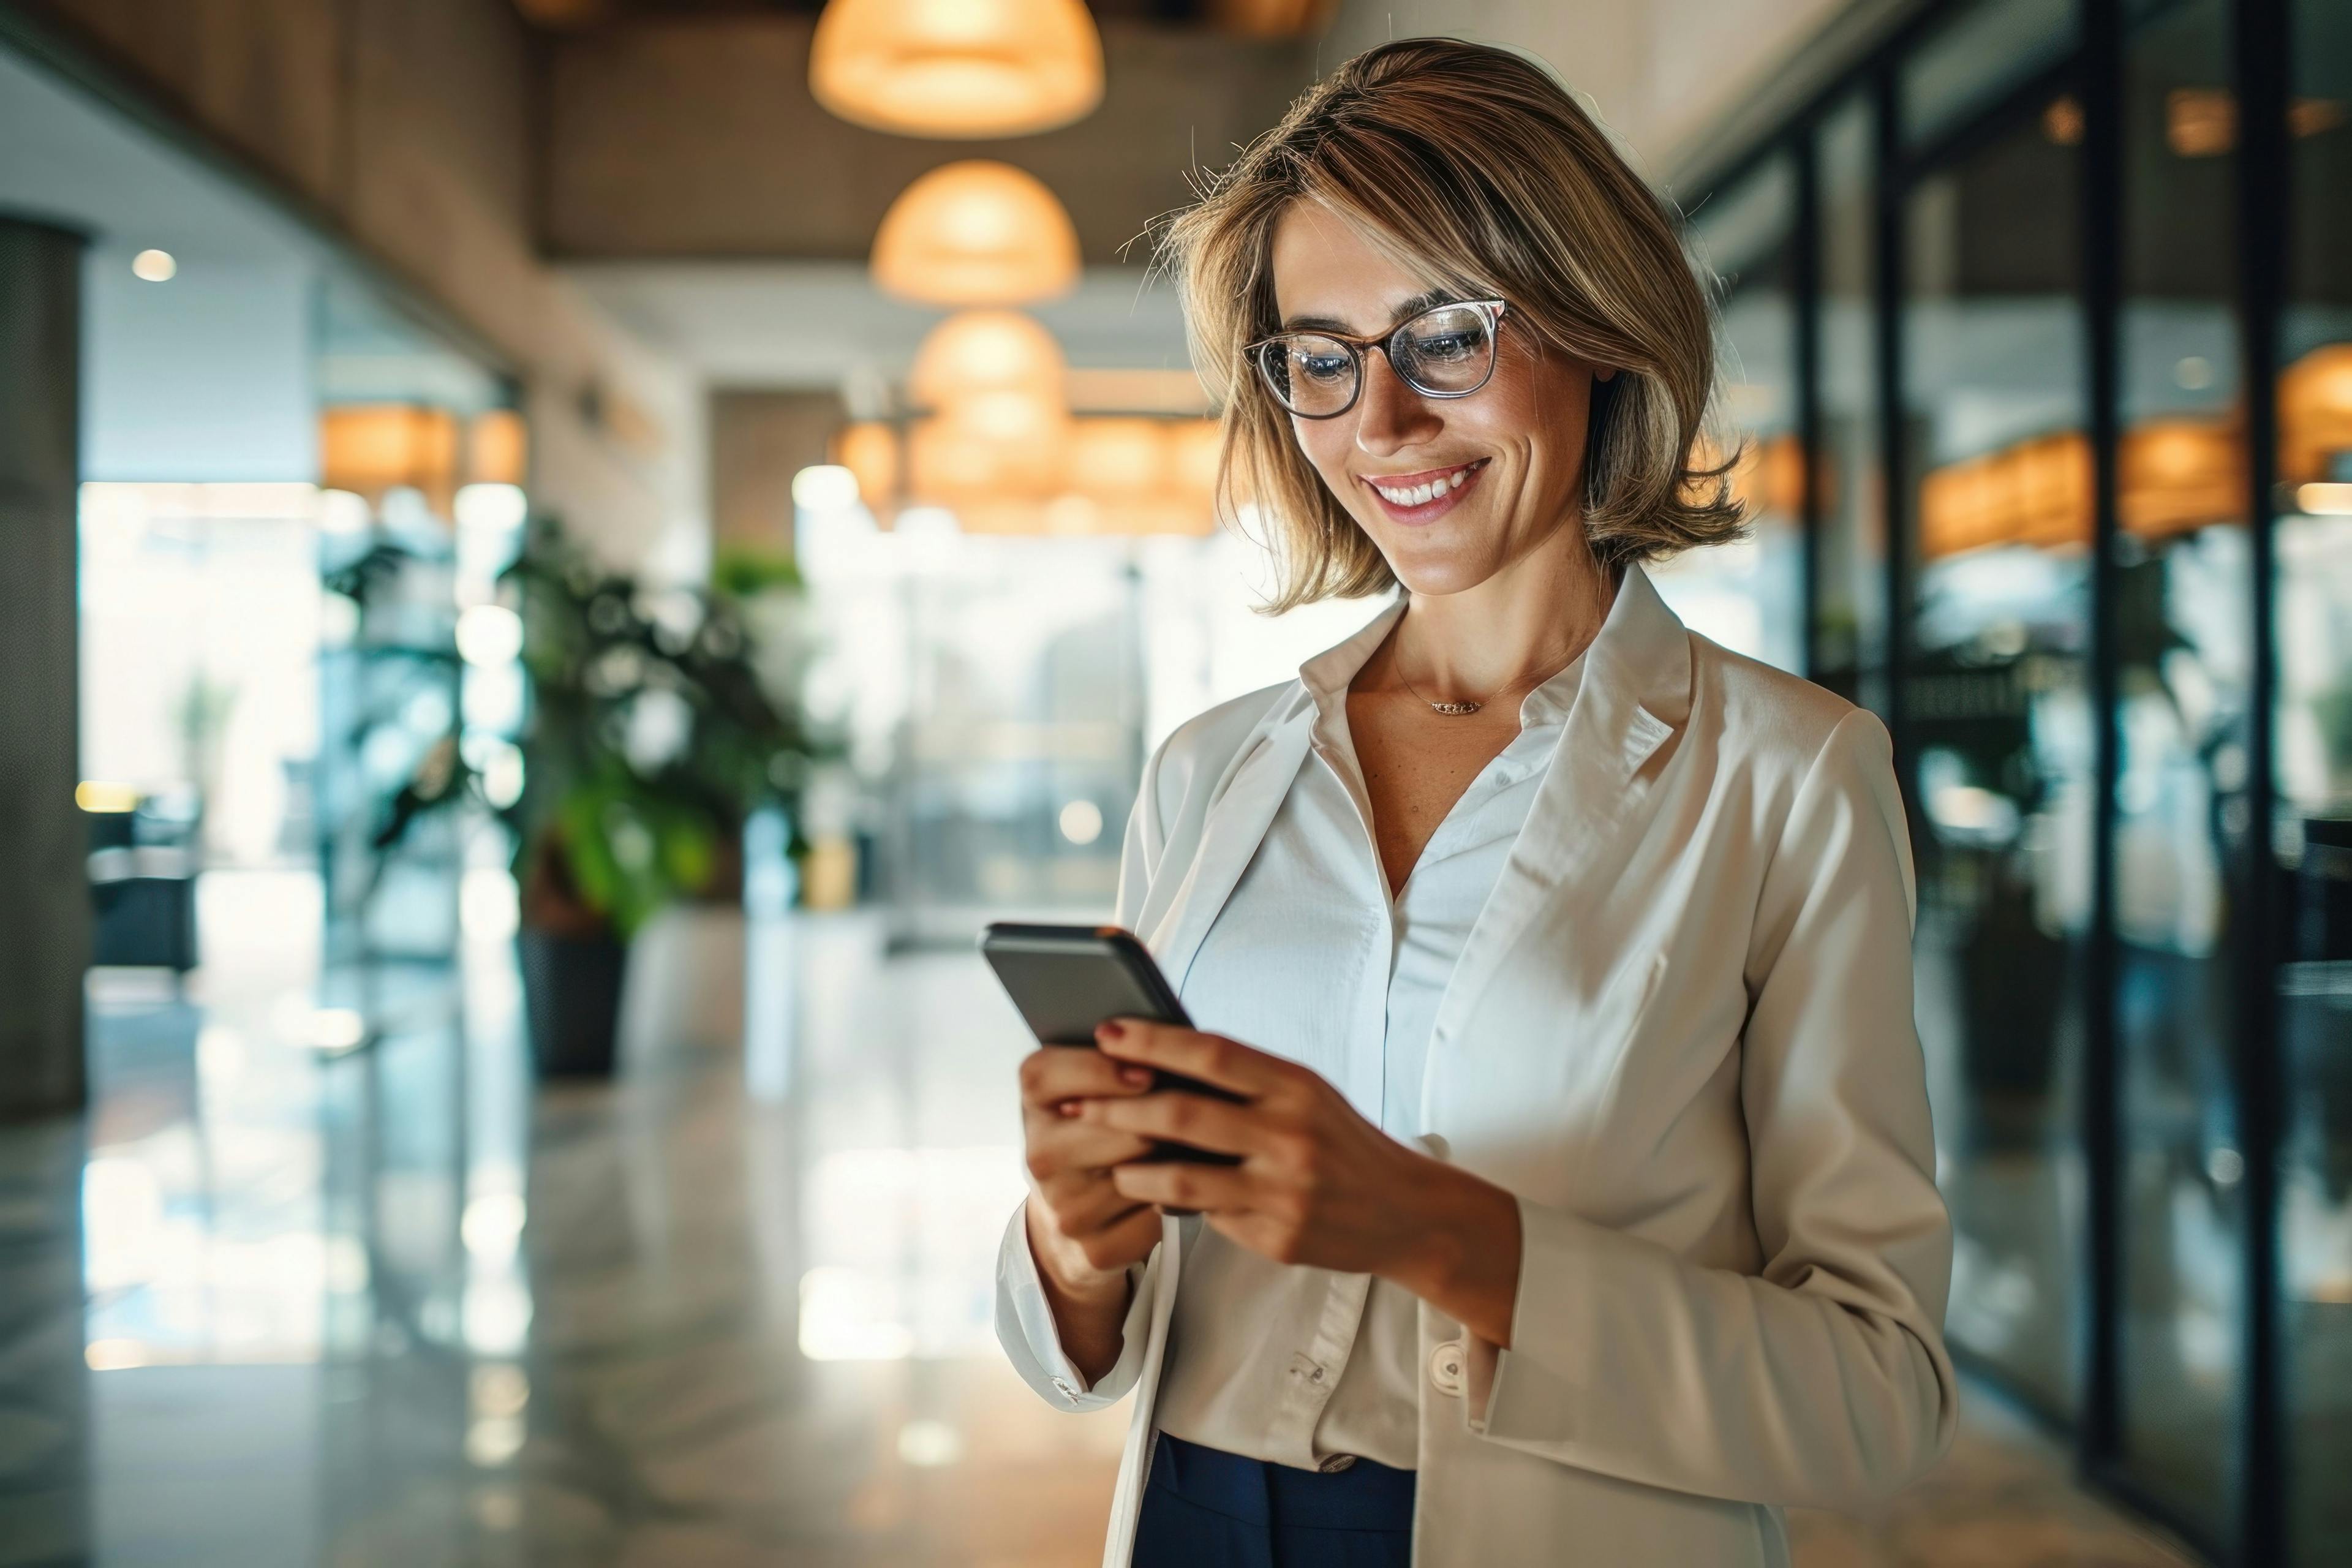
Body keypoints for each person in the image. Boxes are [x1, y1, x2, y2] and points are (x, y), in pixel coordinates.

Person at [995, 36, 1955, 1568]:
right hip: (1190, 1517)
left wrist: (1448, 1233)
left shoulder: (1791, 775)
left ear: (1595, 324)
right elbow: (1095, 1318)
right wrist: (1071, 1241)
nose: (1378, 424)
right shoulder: (1211, 771)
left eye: (1442, 336)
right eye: (1320, 356)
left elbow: (1874, 1393)